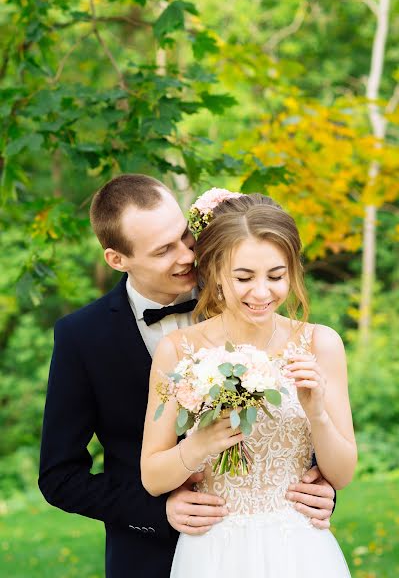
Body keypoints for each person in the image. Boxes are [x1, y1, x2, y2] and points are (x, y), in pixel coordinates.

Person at [39, 175, 336, 578]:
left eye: (184, 237)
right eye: (163, 250)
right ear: (117, 259)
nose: (185, 256)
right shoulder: (82, 337)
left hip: (276, 545)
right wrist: (158, 511)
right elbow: (60, 476)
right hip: (147, 554)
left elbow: (296, 409)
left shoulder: (245, 291)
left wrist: (323, 488)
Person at [141, 193, 357, 577]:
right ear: (215, 272)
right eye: (244, 278)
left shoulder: (322, 344)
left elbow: (341, 474)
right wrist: (198, 445)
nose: (262, 293)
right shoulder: (178, 350)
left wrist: (318, 413)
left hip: (300, 549)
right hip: (212, 551)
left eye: (276, 276)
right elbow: (153, 476)